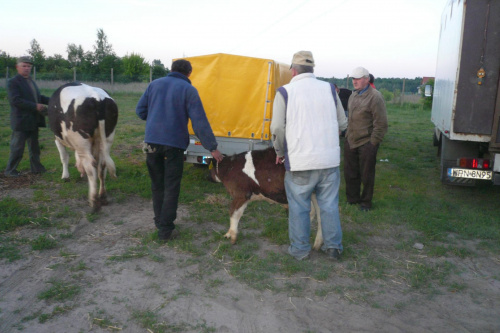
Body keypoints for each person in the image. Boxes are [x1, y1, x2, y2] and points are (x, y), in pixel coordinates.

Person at [271, 51, 347, 261]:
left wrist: (279, 151)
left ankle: (300, 250)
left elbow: (277, 127)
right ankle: (333, 248)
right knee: (329, 205)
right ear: (312, 69)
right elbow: (342, 124)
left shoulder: (285, 92)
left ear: (293, 70)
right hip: (329, 161)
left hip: (299, 161)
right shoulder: (330, 89)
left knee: (299, 207)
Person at [136, 59, 223, 242]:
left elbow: (140, 110)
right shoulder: (189, 90)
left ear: (171, 69)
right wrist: (212, 148)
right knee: (171, 186)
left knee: (157, 184)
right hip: (173, 145)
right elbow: (200, 123)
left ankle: (159, 222)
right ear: (189, 73)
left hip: (151, 142)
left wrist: (155, 118)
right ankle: (165, 230)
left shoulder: (154, 85)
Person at [344, 66, 388, 211]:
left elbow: (381, 124)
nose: (354, 81)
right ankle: (352, 199)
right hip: (351, 140)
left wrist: (373, 144)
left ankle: (366, 203)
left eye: (358, 78)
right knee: (350, 172)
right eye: (353, 79)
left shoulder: (375, 97)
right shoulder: (353, 95)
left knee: (367, 174)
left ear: (366, 79)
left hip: (366, 142)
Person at [4, 56, 50, 177]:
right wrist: (35, 106)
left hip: (33, 120)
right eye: (24, 66)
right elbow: (15, 101)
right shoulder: (13, 82)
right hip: (21, 121)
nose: (26, 68)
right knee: (17, 148)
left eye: (29, 66)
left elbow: (38, 98)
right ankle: (10, 170)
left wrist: (54, 99)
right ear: (17, 67)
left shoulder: (30, 81)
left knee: (34, 148)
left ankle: (37, 168)